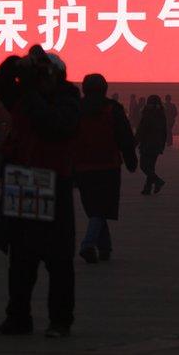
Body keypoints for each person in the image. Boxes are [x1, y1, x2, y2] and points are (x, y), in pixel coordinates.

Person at [0, 45, 80, 338]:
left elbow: (53, 126)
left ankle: (60, 321)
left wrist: (31, 91)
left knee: (59, 260)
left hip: (55, 182)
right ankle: (18, 318)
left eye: (45, 74)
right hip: (25, 180)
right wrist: (18, 63)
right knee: (21, 259)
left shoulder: (68, 100)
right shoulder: (25, 97)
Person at [74, 74, 137, 264]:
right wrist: (131, 160)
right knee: (101, 208)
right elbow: (125, 137)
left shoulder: (76, 109)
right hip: (108, 166)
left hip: (82, 166)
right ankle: (88, 244)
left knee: (94, 207)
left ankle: (105, 248)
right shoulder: (113, 109)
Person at [136, 95, 168, 195]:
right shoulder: (161, 114)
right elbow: (164, 131)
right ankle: (147, 188)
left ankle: (158, 181)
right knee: (151, 166)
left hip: (147, 144)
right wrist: (162, 144)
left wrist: (134, 142)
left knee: (144, 166)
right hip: (157, 145)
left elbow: (141, 131)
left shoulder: (147, 114)